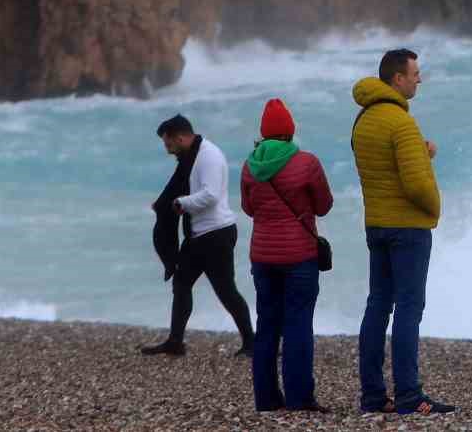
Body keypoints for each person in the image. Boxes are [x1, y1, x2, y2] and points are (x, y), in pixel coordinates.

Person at [351, 49, 455, 416]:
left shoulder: (363, 120)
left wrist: (419, 153)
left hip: (377, 223)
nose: (419, 79)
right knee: (409, 309)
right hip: (408, 228)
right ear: (398, 79)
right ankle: (409, 394)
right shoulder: (401, 122)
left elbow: (383, 166)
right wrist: (434, 207)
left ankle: (373, 395)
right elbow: (415, 185)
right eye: (414, 74)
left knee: (378, 305)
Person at [240, 98, 333, 412]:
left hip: (262, 256)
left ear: (263, 133)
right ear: (290, 131)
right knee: (298, 325)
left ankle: (266, 399)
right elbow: (323, 205)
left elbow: (248, 208)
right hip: (299, 257)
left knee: (267, 326)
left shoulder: (250, 165)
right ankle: (299, 398)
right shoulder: (306, 162)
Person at [141, 114, 254, 357]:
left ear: (180, 137)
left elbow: (210, 195)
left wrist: (180, 203)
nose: (167, 149)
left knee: (226, 290)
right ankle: (175, 342)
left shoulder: (208, 156)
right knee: (181, 283)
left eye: (168, 143)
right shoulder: (190, 157)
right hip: (198, 236)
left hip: (216, 235)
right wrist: (163, 204)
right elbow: (179, 185)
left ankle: (251, 342)